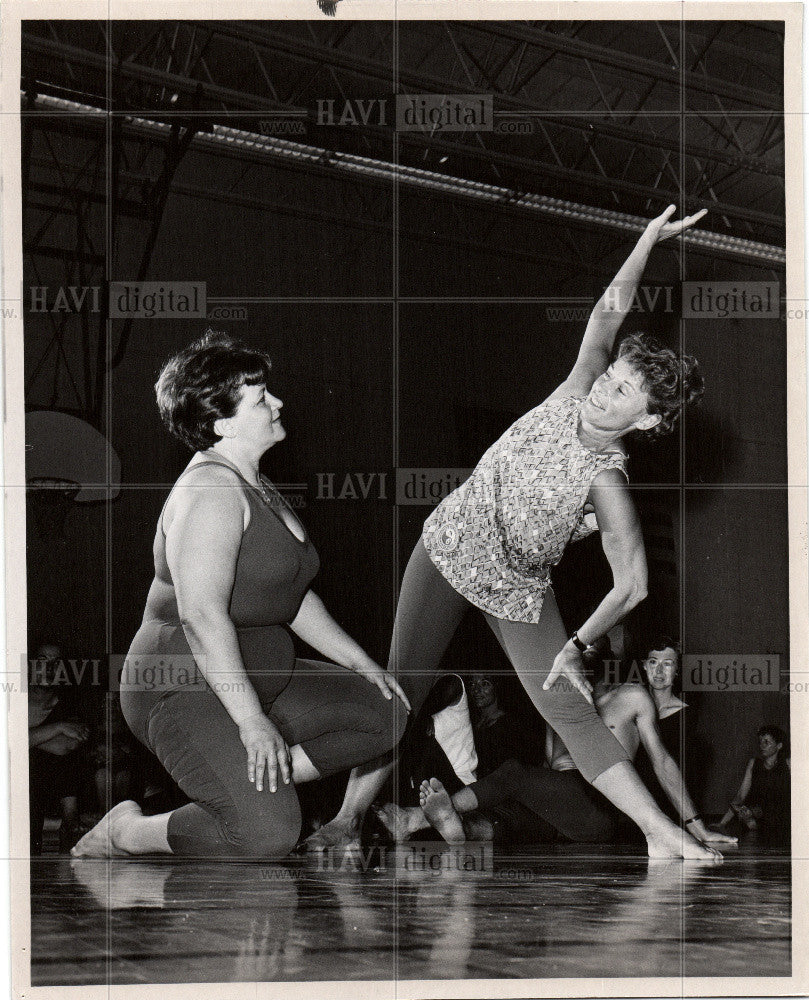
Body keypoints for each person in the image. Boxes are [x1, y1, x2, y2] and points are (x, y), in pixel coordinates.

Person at [308, 205, 721, 861]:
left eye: (621, 398)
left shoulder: (604, 479)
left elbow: (633, 583)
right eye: (611, 379)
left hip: (517, 590)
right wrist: (644, 240)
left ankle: (659, 832)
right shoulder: (576, 386)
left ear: (644, 423)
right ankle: (343, 820)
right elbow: (607, 315)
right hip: (446, 550)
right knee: (397, 694)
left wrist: (577, 644)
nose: (603, 394)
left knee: (571, 711)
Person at [72, 331, 410, 859]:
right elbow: (202, 618)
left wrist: (360, 661)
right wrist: (252, 723)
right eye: (260, 398)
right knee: (268, 836)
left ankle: (258, 784)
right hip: (183, 682)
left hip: (259, 675)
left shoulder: (259, 484)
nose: (278, 402)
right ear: (222, 422)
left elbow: (293, 597)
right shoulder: (210, 491)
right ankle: (125, 832)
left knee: (385, 710)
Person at [384, 648, 738, 851]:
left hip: (600, 802)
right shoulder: (558, 709)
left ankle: (414, 819)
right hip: (566, 812)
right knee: (508, 818)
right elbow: (551, 769)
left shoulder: (630, 698)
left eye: (583, 656)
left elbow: (661, 761)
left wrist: (696, 825)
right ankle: (462, 830)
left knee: (512, 774)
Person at [28, 643, 90, 854]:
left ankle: (69, 821)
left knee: (61, 759)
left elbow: (67, 746)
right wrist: (58, 727)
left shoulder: (69, 704)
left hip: (49, 786)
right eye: (42, 661)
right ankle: (69, 820)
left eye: (56, 664)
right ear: (29, 664)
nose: (49, 669)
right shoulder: (10, 699)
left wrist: (25, 739)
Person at [717, 725, 790, 846]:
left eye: (767, 742)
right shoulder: (754, 763)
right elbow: (740, 795)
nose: (762, 745)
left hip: (780, 813)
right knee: (746, 810)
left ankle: (754, 821)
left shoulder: (788, 764)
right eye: (760, 741)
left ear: (779, 746)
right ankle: (752, 821)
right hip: (758, 810)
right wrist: (722, 823)